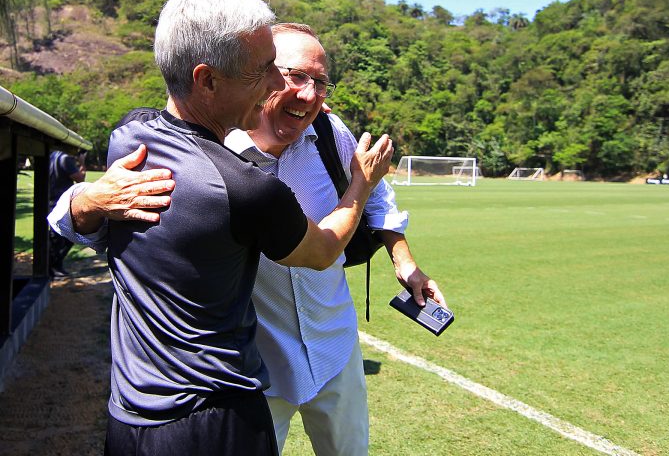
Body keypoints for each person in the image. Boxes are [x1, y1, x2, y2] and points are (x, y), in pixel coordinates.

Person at [50, 23, 444, 455]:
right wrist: (84, 202)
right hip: (256, 370)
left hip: (335, 347)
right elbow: (98, 218)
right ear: (263, 78)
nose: (310, 95)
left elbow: (376, 193)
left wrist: (404, 262)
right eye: (295, 76)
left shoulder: (333, 135)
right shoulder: (209, 150)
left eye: (321, 82)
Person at [48, 149, 86, 277]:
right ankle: (54, 266)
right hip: (61, 204)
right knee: (68, 236)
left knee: (55, 237)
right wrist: (82, 163)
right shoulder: (65, 159)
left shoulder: (52, 156)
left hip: (50, 200)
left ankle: (51, 266)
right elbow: (80, 179)